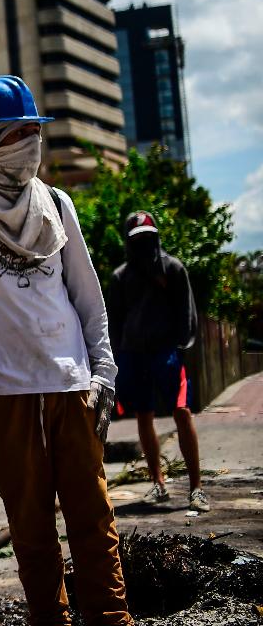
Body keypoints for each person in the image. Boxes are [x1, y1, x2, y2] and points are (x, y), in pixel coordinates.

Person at [0, 76, 132, 625]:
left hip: (73, 388)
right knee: (32, 530)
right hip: (5, 394)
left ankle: (112, 619)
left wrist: (103, 373)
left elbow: (88, 297)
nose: (33, 144)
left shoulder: (57, 205)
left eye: (36, 132)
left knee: (94, 521)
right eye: (22, 133)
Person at [106, 210, 207, 512]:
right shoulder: (121, 277)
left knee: (182, 411)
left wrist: (181, 347)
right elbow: (114, 321)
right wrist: (116, 358)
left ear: (157, 238)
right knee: (143, 416)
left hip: (167, 353)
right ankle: (159, 484)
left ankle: (197, 488)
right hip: (133, 354)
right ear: (129, 243)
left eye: (148, 238)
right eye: (138, 240)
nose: (144, 246)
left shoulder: (173, 269)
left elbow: (186, 312)